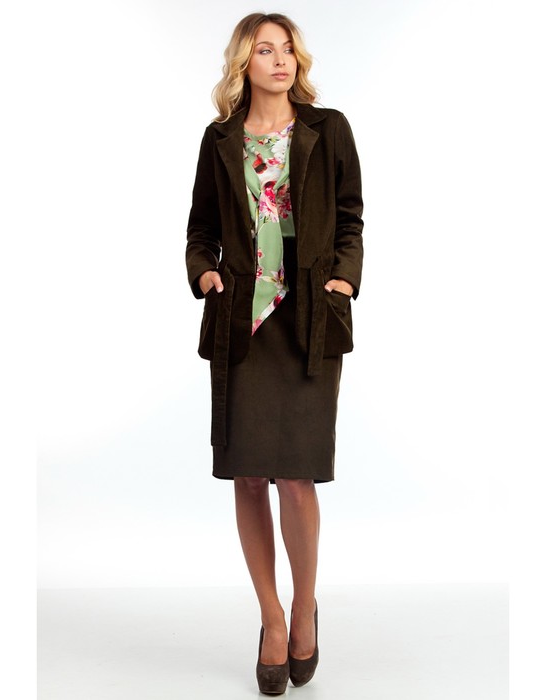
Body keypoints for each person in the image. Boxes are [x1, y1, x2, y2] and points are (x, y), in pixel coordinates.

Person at [185, 12, 363, 695]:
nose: (281, 60)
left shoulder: (328, 129)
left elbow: (351, 216)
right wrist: (206, 273)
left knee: (296, 477)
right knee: (248, 475)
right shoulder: (220, 140)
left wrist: (344, 276)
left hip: (308, 320)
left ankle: (305, 604)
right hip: (243, 323)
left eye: (288, 49)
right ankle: (271, 619)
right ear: (244, 63)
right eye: (265, 50)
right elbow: (201, 229)